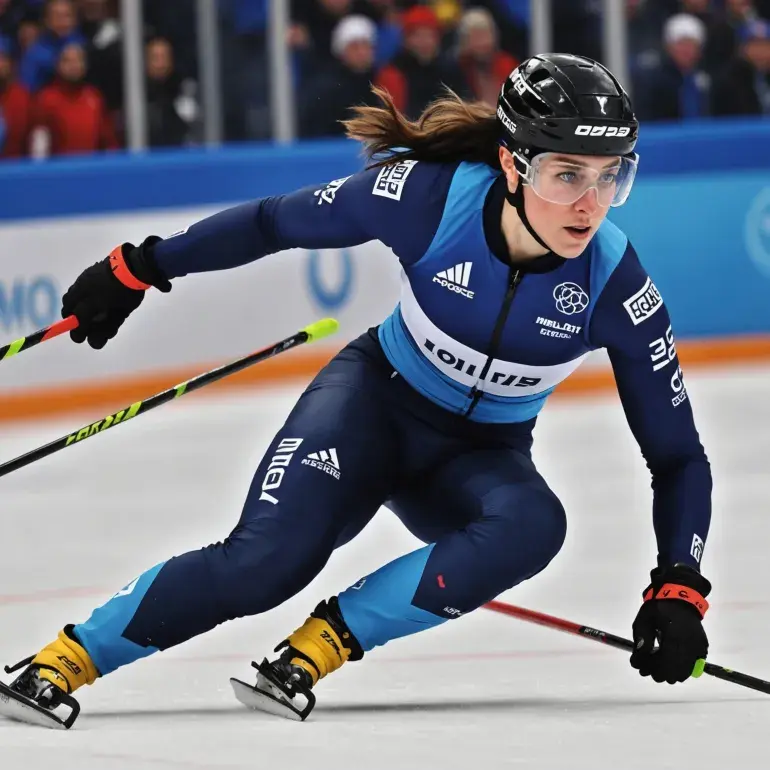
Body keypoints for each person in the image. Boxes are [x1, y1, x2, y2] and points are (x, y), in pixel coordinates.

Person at [0, 53, 713, 728]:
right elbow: (273, 221)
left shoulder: (616, 286)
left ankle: (321, 646)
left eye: (610, 176)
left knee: (535, 525)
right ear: (510, 162)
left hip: (476, 457)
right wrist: (139, 267)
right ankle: (66, 658)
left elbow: (678, 455)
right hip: (374, 403)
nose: (591, 205)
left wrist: (679, 585)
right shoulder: (429, 201)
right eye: (567, 175)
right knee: (264, 565)